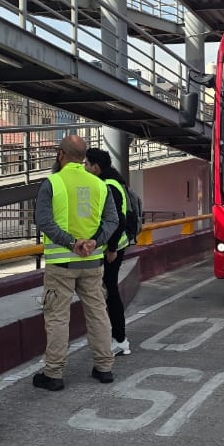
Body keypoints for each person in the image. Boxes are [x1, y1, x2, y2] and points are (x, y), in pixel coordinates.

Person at [31, 134, 119, 391]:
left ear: (61, 154)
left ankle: (54, 374)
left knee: (58, 318)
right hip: (92, 262)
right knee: (97, 313)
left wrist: (72, 243)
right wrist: (93, 242)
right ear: (83, 157)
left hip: (61, 265)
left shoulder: (53, 182)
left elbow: (44, 221)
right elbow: (112, 221)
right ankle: (105, 368)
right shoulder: (100, 185)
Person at [83, 147, 133, 356]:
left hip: (113, 247)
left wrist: (111, 248)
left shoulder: (109, 185)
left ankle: (120, 339)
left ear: (96, 167)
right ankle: (117, 337)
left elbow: (117, 220)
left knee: (110, 292)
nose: (84, 167)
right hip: (112, 245)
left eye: (86, 164)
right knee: (108, 290)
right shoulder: (111, 181)